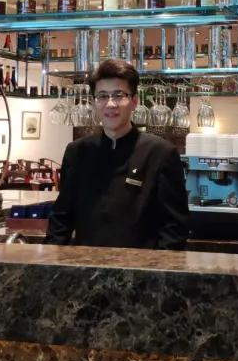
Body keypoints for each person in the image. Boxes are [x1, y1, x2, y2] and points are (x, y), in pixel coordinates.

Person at [45, 59, 188, 249]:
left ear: (134, 101)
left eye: (119, 95)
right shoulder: (77, 152)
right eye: (102, 96)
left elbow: (175, 226)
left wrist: (156, 265)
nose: (110, 104)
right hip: (86, 263)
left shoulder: (161, 153)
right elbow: (61, 218)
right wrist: (51, 259)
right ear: (94, 102)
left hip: (140, 265)